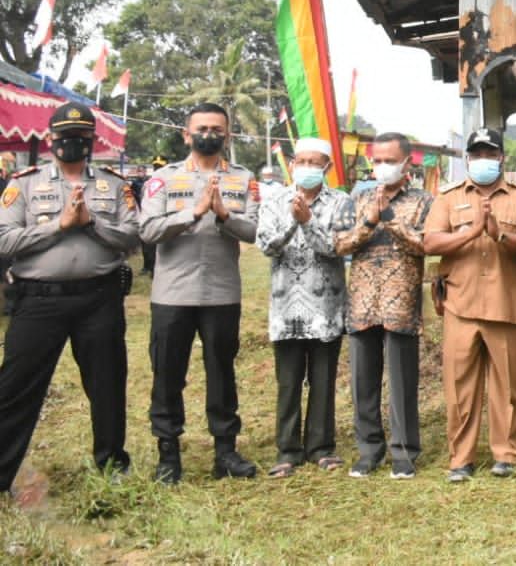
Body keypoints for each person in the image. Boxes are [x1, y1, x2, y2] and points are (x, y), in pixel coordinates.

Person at [0, 104, 140, 497]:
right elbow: (4, 240)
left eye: (80, 137)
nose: (71, 143)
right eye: (63, 137)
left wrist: (91, 224)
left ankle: (112, 464)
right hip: (38, 301)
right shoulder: (22, 184)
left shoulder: (114, 185)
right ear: (49, 139)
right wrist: (59, 226)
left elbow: (132, 237)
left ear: (92, 141)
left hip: (99, 298)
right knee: (16, 387)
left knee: (107, 384)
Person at [139, 102, 261, 483]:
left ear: (228, 135)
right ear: (186, 135)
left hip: (221, 294)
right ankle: (168, 455)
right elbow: (147, 231)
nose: (209, 134)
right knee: (167, 375)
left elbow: (258, 231)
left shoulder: (243, 179)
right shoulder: (163, 179)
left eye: (217, 129)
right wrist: (193, 212)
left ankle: (225, 452)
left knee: (222, 374)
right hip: (172, 294)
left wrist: (224, 215)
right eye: (201, 128)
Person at [423, 126, 516, 482]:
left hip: (505, 303)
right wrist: (472, 232)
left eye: (490, 153)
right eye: (477, 154)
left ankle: (506, 453)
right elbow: (431, 242)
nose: (484, 160)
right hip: (460, 304)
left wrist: (497, 231)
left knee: (509, 386)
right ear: (468, 158)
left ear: (502, 157)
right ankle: (461, 458)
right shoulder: (448, 197)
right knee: (460, 386)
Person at [333, 132, 431, 479]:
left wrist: (389, 217)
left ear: (408, 162)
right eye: (377, 160)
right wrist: (369, 221)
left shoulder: (423, 201)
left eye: (390, 160)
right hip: (361, 302)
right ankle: (368, 451)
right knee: (363, 381)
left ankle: (404, 454)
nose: (383, 166)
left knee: (402, 382)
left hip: (400, 302)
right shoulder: (354, 199)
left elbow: (425, 244)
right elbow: (339, 244)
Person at [256, 137, 351, 477]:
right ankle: (287, 450)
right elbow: (266, 244)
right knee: (289, 381)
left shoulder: (341, 202)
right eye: (303, 161)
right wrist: (294, 221)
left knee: (323, 380)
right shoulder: (274, 199)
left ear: (326, 167)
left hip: (326, 306)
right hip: (286, 307)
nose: (308, 168)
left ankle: (322, 447)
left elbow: (337, 247)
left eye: (316, 162)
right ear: (293, 163)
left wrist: (308, 221)